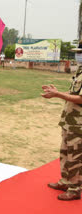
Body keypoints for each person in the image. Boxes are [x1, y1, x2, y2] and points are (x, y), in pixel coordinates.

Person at [41, 50, 82, 200]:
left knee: (75, 157)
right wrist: (57, 92)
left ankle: (75, 189)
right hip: (70, 121)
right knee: (65, 153)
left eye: (80, 52)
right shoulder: (80, 71)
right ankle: (66, 182)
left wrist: (57, 95)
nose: (78, 55)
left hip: (79, 124)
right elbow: (74, 93)